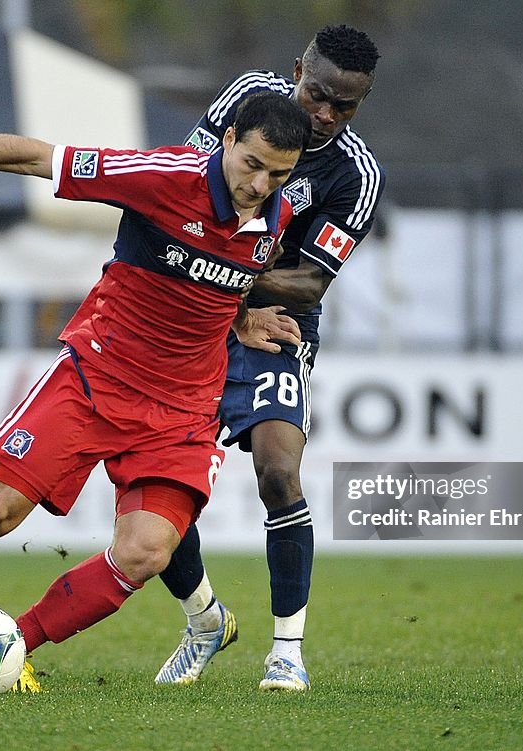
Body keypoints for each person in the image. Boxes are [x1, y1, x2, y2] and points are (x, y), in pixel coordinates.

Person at [0, 90, 312, 693]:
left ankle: (14, 646)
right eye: (253, 164)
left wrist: (242, 319)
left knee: (146, 553)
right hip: (95, 379)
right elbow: (37, 158)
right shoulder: (164, 176)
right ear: (230, 140)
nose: (261, 184)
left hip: (182, 409)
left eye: (279, 174)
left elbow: (225, 280)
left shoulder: (277, 215)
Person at [154, 24, 384, 692]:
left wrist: (229, 275)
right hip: (192, 310)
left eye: (345, 107)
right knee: (159, 489)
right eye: (318, 95)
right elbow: (182, 194)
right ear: (296, 71)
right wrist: (220, 282)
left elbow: (311, 281)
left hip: (279, 322)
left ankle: (287, 651)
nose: (325, 115)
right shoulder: (247, 98)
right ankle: (204, 620)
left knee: (279, 469)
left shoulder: (357, 173)